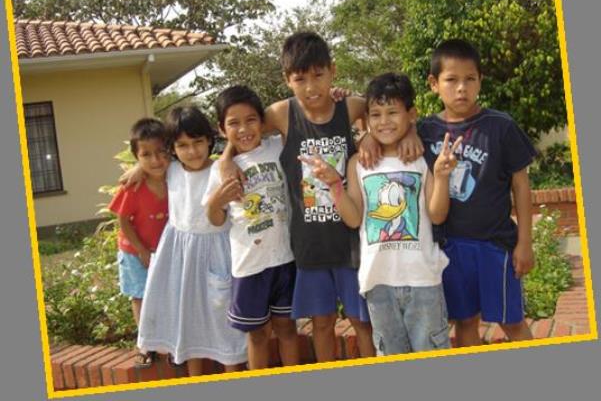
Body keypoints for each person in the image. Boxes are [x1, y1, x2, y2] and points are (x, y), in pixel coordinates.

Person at [221, 32, 376, 361]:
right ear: (287, 79)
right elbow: (243, 130)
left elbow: (377, 110)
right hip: (309, 246)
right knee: (322, 323)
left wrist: (368, 135)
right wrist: (225, 159)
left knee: (362, 322)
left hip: (351, 241)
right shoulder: (282, 113)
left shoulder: (349, 106)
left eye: (319, 75)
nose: (311, 87)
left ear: (333, 71)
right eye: (300, 79)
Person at [301, 72, 460, 354]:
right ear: (366, 119)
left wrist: (442, 177)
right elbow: (353, 219)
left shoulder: (422, 159)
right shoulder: (358, 163)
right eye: (375, 114)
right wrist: (335, 185)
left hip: (422, 279)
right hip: (378, 283)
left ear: (411, 115)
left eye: (392, 112)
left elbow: (437, 216)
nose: (384, 121)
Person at [418, 39, 536, 346]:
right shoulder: (424, 131)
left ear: (480, 81)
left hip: (494, 244)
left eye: (470, 79)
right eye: (451, 79)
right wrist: (367, 139)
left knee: (512, 322)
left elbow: (521, 185)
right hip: (449, 246)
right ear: (433, 84)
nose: (461, 88)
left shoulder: (500, 126)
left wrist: (525, 242)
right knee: (465, 321)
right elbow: (381, 125)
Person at [135, 106, 247, 376]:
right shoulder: (171, 169)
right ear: (172, 148)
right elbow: (148, 164)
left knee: (225, 327)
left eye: (198, 142)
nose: (192, 151)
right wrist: (136, 170)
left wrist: (228, 153)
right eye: (182, 145)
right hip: (179, 258)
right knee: (188, 326)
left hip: (217, 253)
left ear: (209, 139)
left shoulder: (221, 169)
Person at [204, 85, 299, 370]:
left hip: (285, 259)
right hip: (249, 265)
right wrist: (216, 201)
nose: (244, 129)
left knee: (287, 328)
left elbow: (293, 108)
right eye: (233, 123)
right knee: (257, 335)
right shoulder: (220, 170)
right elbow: (216, 219)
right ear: (221, 129)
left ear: (262, 122)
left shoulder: (277, 146)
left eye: (251, 120)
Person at [108, 118, 169, 367]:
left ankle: (165, 340)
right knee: (140, 296)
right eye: (146, 155)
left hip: (163, 250)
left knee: (164, 295)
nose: (155, 160)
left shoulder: (175, 176)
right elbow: (123, 220)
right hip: (134, 251)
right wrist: (141, 250)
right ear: (137, 157)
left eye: (161, 152)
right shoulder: (132, 187)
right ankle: (144, 345)